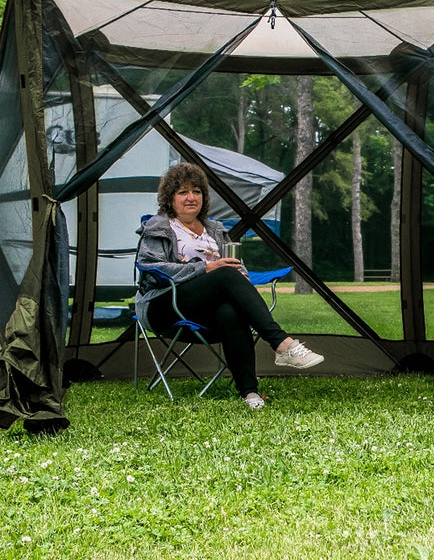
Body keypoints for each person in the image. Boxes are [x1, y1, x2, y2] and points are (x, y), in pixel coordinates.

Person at [135, 162, 324, 409]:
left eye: (197, 191)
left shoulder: (215, 229)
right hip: (164, 304)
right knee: (224, 273)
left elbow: (238, 267)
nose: (191, 198)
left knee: (230, 310)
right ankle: (281, 343)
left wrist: (238, 278)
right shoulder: (158, 227)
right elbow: (150, 267)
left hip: (207, 308)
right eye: (182, 192)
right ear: (169, 199)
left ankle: (250, 393)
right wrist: (204, 268)